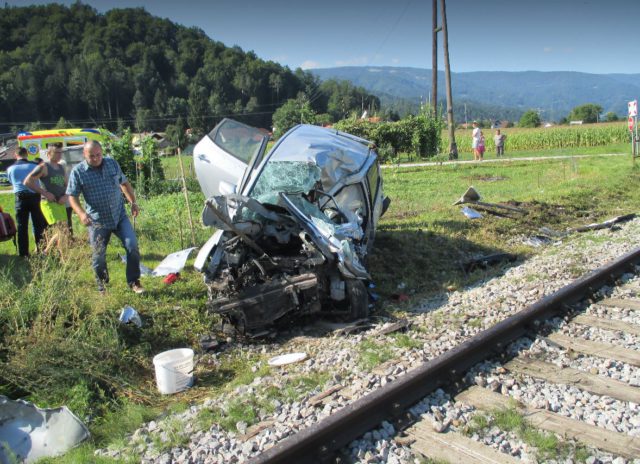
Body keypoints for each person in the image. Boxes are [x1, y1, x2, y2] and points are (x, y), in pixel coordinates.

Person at [66, 140, 144, 294]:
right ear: (84, 154)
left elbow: (125, 184)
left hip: (119, 215)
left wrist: (133, 202)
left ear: (102, 152)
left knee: (132, 246)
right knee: (99, 256)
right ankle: (103, 286)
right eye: (91, 156)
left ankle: (134, 281)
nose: (95, 158)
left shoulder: (112, 164)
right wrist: (82, 213)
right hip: (97, 221)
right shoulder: (78, 172)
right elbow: (72, 197)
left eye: (98, 155)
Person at [24, 143, 71, 255]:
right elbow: (27, 181)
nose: (59, 155)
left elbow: (67, 185)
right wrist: (45, 193)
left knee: (64, 231)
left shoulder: (61, 167)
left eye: (61, 152)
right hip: (48, 203)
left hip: (60, 202)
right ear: (49, 154)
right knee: (61, 230)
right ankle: (47, 252)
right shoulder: (43, 167)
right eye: (56, 152)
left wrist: (65, 196)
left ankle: (52, 254)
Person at [7, 147, 48, 257]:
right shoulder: (34, 166)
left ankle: (23, 253)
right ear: (27, 155)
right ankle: (41, 250)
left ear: (16, 155)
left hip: (20, 198)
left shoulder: (11, 168)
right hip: (34, 197)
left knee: (22, 226)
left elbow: (11, 181)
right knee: (38, 225)